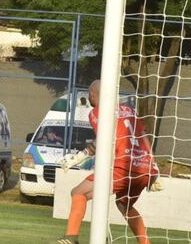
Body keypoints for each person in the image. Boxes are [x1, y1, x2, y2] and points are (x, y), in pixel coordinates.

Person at [53, 80, 157, 244]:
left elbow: (103, 139)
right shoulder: (130, 111)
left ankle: (71, 238)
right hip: (145, 169)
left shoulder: (97, 112)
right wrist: (154, 167)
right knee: (125, 206)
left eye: (89, 95)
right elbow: (144, 138)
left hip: (123, 167)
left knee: (78, 193)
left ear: (93, 95)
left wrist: (79, 156)